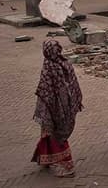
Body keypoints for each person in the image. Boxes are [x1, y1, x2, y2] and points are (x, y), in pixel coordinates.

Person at [32, 40, 83, 178]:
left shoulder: (49, 66)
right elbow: (73, 86)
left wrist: (48, 108)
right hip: (65, 106)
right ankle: (46, 158)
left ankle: (67, 166)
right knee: (51, 133)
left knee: (56, 135)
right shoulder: (65, 63)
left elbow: (45, 90)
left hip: (53, 108)